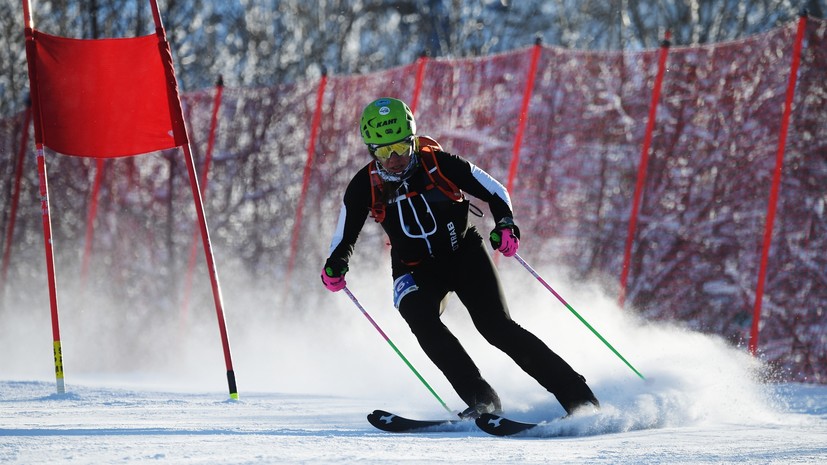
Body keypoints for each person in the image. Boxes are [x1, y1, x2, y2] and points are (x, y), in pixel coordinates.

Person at [321, 97, 599, 418]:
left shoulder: (439, 163)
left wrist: (505, 223)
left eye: (401, 147)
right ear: (371, 150)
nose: (395, 159)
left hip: (464, 254)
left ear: (413, 141)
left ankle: (578, 396)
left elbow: (493, 189)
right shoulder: (363, 186)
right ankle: (481, 398)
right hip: (415, 270)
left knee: (496, 327)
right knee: (419, 316)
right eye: (384, 151)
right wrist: (336, 263)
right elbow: (345, 233)